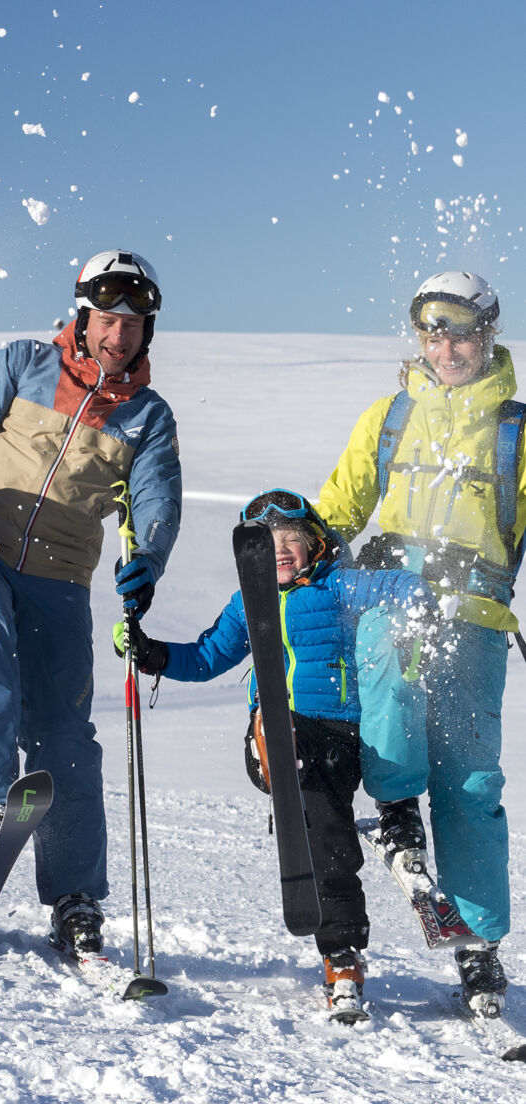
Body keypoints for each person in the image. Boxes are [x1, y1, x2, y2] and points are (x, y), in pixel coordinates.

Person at [0, 250, 181, 956]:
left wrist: (146, 558)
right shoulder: (22, 364)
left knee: (65, 732)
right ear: (84, 315)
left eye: (135, 323)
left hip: (62, 575)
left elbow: (156, 500)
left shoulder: (147, 416)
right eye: (109, 318)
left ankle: (76, 898)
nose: (120, 334)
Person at [113, 488, 435, 1017]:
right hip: (278, 728)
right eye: (267, 543)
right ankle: (274, 745)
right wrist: (151, 654)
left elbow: (393, 586)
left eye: (292, 540)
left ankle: (342, 957)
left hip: (339, 737)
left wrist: (419, 601)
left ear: (315, 544)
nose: (281, 551)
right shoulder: (248, 601)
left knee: (328, 842)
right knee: (279, 724)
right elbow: (208, 654)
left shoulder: (339, 586)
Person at [317, 270, 526, 1015]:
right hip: (391, 599)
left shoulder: (515, 430)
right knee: (391, 685)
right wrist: (290, 537)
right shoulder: (391, 416)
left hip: (475, 618)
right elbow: (338, 509)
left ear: (487, 334)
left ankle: (477, 945)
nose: (447, 346)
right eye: (433, 332)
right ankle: (397, 810)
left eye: (461, 331)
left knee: (472, 781)